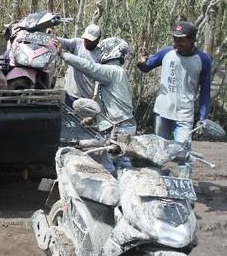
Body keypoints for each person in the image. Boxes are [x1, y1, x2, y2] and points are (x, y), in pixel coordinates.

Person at [137, 21, 211, 176]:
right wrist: (141, 61)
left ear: (192, 40)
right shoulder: (166, 53)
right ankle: (156, 183)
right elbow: (146, 67)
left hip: (184, 115)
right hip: (162, 111)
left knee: (184, 154)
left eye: (181, 40)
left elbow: (205, 91)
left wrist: (203, 117)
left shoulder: (203, 60)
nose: (177, 43)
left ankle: (185, 189)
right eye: (175, 39)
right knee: (157, 153)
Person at [54, 37, 135, 174]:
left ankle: (117, 191)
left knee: (111, 165)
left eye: (102, 51)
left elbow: (89, 67)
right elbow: (108, 102)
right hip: (122, 123)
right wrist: (95, 119)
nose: (99, 54)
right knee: (119, 162)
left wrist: (64, 55)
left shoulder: (112, 71)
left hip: (120, 126)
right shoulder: (116, 72)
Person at [57, 24, 102, 107]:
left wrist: (95, 96)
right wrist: (50, 36)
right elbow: (62, 42)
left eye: (90, 40)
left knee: (81, 119)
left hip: (87, 97)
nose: (86, 41)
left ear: (97, 40)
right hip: (70, 94)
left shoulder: (100, 54)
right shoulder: (77, 44)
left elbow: (99, 78)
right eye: (86, 39)